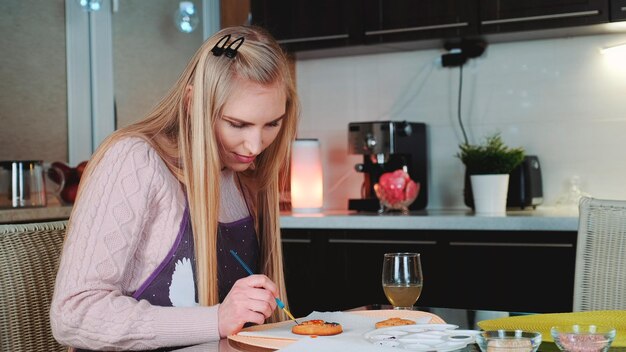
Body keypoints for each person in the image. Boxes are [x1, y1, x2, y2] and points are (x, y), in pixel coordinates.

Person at [50, 25, 299, 351]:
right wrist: (215, 320)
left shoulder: (245, 177)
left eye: (272, 124)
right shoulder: (135, 160)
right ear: (192, 102)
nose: (254, 146)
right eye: (237, 124)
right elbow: (73, 314)